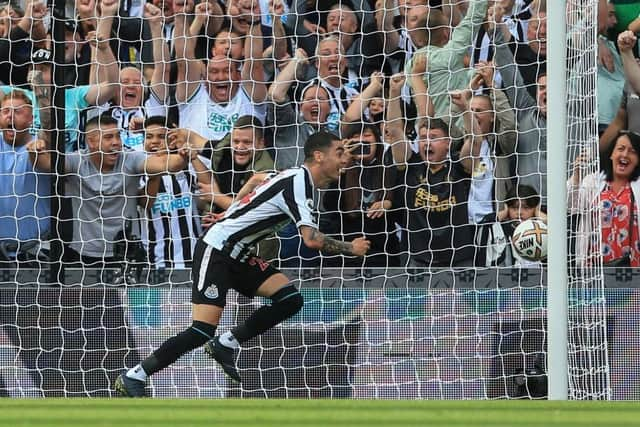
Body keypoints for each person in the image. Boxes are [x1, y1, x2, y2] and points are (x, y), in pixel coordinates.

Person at [114, 131, 371, 396]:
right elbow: (312, 239)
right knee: (201, 330)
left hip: (239, 253)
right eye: (339, 152)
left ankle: (226, 343)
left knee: (289, 299)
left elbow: (257, 179)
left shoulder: (293, 176)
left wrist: (232, 211)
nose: (345, 159)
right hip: (217, 250)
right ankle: (135, 376)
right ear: (319, 156)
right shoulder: (298, 181)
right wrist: (350, 247)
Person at [28, 114, 193, 268]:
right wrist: (35, 150)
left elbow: (163, 163)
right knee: (89, 299)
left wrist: (183, 156)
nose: (116, 142)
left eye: (118, 136)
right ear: (91, 142)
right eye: (108, 137)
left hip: (128, 254)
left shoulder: (130, 158)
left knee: (130, 299)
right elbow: (45, 164)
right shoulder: (77, 161)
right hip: (84, 255)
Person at [569, 131, 640, 267]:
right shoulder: (593, 181)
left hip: (634, 269)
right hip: (595, 271)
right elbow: (571, 206)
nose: (625, 155)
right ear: (611, 154)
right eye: (620, 149)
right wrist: (577, 176)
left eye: (632, 151)